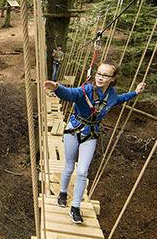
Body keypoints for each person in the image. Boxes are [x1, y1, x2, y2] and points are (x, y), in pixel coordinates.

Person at [44, 62, 145, 224]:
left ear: (112, 79)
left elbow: (119, 100)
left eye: (105, 75)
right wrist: (57, 88)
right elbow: (70, 94)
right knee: (69, 166)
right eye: (99, 74)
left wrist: (135, 93)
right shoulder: (86, 90)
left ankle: (75, 207)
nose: (100, 77)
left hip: (91, 133)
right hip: (73, 130)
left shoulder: (111, 94)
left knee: (83, 171)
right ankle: (63, 193)